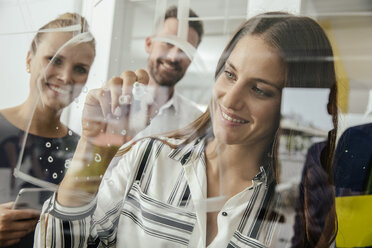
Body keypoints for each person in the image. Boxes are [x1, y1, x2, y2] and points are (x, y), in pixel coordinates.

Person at [35, 12, 337, 247]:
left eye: (259, 90)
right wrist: (92, 150)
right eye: (229, 74)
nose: (230, 100)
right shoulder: (148, 159)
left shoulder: (304, 211)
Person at [0, 13, 95, 247]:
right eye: (54, 60)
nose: (65, 77)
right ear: (29, 60)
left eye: (80, 69)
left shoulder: (82, 150)